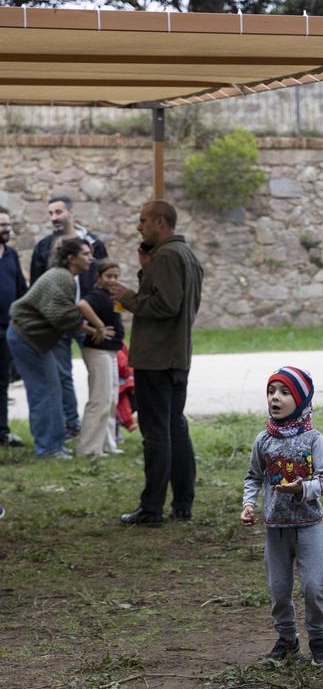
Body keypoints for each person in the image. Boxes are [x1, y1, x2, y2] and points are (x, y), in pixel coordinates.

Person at [112, 201, 205, 526]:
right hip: (176, 355)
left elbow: (166, 304)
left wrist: (126, 296)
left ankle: (151, 508)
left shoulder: (167, 256)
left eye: (143, 221)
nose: (139, 227)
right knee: (175, 427)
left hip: (157, 358)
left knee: (156, 432)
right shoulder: (186, 256)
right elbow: (177, 300)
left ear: (161, 223)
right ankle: (182, 503)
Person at [241, 366, 323, 666]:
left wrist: (302, 488)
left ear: (302, 399)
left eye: (284, 392)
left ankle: (318, 638)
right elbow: (253, 476)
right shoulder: (263, 440)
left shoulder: (313, 439)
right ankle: (287, 639)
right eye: (271, 392)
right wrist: (249, 504)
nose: (275, 398)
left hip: (309, 526)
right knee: (279, 590)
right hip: (276, 529)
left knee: (313, 587)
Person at [6, 238, 111, 458]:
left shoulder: (64, 276)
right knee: (45, 392)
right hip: (26, 337)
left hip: (28, 337)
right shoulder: (62, 277)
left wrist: (94, 328)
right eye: (85, 254)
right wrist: (96, 329)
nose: (90, 258)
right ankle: (48, 449)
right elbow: (61, 316)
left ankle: (53, 445)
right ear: (71, 258)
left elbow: (63, 314)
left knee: (50, 389)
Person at [30, 195, 109, 441]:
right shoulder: (44, 246)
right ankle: (71, 426)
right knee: (62, 374)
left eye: (58, 212)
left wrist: (101, 317)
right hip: (58, 320)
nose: (54, 217)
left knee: (100, 372)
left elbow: (106, 277)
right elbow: (36, 284)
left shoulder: (93, 242)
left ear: (71, 213)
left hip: (89, 317)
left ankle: (103, 429)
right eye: (50, 213)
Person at [76, 259, 125, 457]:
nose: (113, 280)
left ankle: (106, 443)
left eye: (116, 276)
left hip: (112, 351)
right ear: (98, 277)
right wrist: (99, 326)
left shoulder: (112, 296)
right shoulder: (96, 295)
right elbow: (81, 305)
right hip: (98, 351)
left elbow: (118, 317)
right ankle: (88, 449)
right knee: (100, 399)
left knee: (111, 398)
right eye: (108, 276)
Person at [0, 207, 27, 447]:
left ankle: (2, 431)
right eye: (2, 225)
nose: (6, 229)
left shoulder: (11, 255)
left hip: (6, 330)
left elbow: (21, 291)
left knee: (2, 383)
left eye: (7, 225)